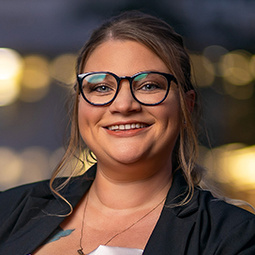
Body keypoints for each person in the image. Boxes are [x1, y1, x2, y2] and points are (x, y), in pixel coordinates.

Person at [0, 10, 255, 255]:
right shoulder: (8, 210)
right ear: (79, 106)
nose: (123, 105)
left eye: (148, 85)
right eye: (101, 87)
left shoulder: (235, 236)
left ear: (186, 106)